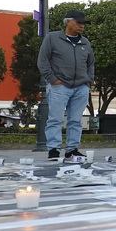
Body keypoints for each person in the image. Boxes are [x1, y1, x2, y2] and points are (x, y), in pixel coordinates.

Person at [37, 9, 95, 161]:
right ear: (68, 22)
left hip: (81, 86)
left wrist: (88, 80)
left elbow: (90, 63)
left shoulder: (85, 42)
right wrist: (52, 79)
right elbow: (43, 60)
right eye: (78, 22)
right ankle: (53, 150)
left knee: (76, 120)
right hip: (59, 86)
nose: (82, 26)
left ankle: (72, 149)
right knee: (55, 119)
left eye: (83, 23)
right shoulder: (52, 38)